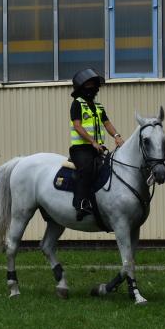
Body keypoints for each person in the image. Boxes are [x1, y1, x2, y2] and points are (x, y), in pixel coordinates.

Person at [68, 68, 124, 221]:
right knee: (86, 170)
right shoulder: (77, 104)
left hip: (97, 148)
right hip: (81, 149)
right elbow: (78, 126)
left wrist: (117, 136)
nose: (94, 87)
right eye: (90, 84)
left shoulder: (99, 107)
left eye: (95, 84)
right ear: (82, 88)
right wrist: (92, 142)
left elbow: (107, 123)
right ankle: (80, 205)